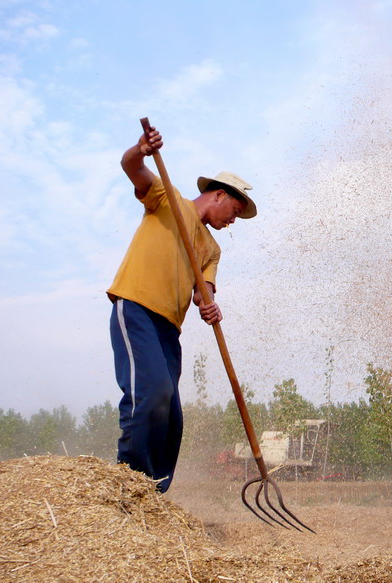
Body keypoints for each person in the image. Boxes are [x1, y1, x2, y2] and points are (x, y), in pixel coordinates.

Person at [107, 125, 257, 493]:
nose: (232, 221)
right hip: (137, 307)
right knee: (151, 393)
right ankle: (129, 481)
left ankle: (155, 492)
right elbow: (131, 167)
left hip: (167, 329)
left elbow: (202, 293)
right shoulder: (168, 199)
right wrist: (141, 150)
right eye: (234, 211)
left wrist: (211, 307)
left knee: (171, 415)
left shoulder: (211, 248)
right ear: (218, 195)